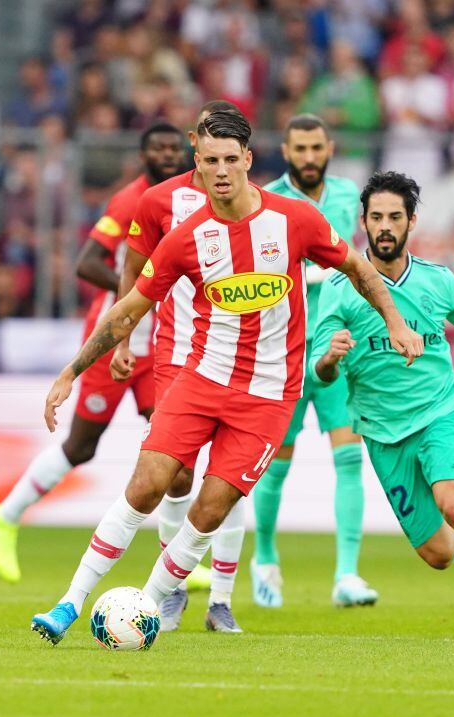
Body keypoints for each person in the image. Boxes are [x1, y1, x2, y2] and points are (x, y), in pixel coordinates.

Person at [29, 111, 422, 646]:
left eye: (230, 161)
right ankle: (69, 603)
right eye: (210, 161)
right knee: (147, 485)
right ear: (198, 161)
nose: (220, 171)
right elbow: (128, 311)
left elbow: (358, 267)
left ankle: (145, 606)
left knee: (211, 508)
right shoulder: (186, 238)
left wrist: (395, 322)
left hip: (267, 397)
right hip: (200, 380)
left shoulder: (295, 220)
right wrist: (72, 371)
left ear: (248, 161)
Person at [310, 171, 454, 639]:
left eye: (395, 217)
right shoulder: (339, 288)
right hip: (383, 434)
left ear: (411, 222)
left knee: (452, 500)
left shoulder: (438, 281)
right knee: (440, 554)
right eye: (376, 217)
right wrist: (329, 358)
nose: (385, 226)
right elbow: (317, 370)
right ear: (362, 222)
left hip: (439, 414)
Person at [0, 122, 188, 584]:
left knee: (174, 447)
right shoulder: (132, 200)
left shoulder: (189, 199)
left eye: (176, 148)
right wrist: (139, 292)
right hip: (113, 334)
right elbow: (87, 261)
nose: (169, 155)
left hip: (162, 341)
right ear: (143, 154)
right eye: (159, 148)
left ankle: (177, 561)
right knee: (81, 445)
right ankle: (4, 516)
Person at [112, 100, 245, 633]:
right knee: (175, 475)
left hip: (242, 356)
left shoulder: (256, 202)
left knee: (228, 478)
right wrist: (125, 338)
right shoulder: (159, 201)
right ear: (195, 142)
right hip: (176, 354)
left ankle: (222, 599)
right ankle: (170, 593)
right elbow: (133, 267)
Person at [250, 114, 376, 609]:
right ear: (285, 149)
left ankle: (347, 575)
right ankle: (264, 561)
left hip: (339, 348)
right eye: (299, 148)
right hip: (284, 350)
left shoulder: (350, 197)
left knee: (349, 456)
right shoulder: (267, 201)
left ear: (330, 148)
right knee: (275, 463)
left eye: (315, 148)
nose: (307, 157)